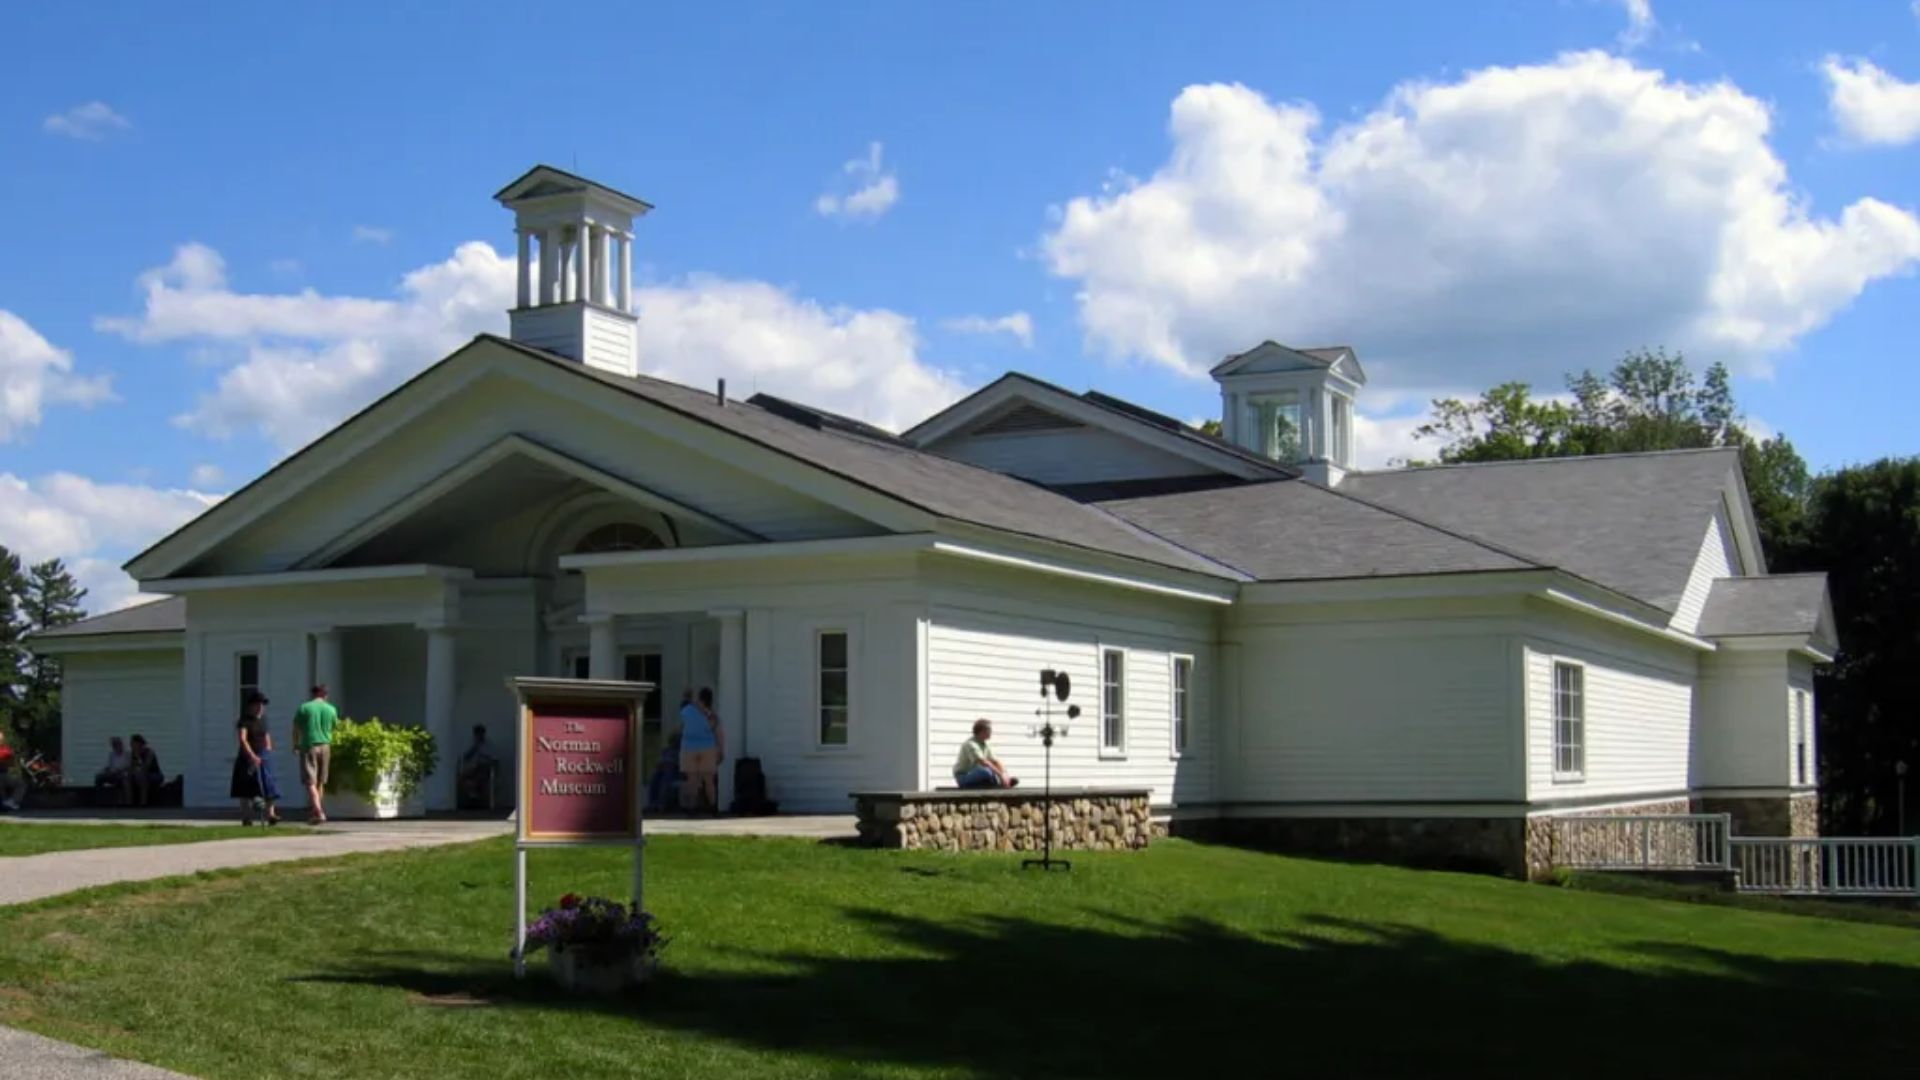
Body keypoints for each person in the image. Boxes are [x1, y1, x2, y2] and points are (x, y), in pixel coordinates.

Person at [230, 692, 283, 826]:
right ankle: (246, 817)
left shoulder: (263, 720)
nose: (260, 707)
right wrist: (252, 756)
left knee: (269, 786)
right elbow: (242, 739)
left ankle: (271, 815)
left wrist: (268, 751)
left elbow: (266, 737)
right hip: (247, 757)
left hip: (263, 755)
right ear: (251, 705)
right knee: (245, 788)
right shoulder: (244, 720)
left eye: (262, 704)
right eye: (257, 704)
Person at [292, 685, 338, 824]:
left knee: (309, 780)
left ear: (314, 694)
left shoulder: (305, 708)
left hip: (309, 745)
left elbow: (296, 728)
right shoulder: (331, 709)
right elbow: (334, 726)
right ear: (324, 694)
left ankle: (318, 811)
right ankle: (315, 810)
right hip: (325, 745)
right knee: (320, 781)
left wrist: (295, 744)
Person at [678, 687, 724, 814]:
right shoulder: (712, 715)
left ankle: (692, 807)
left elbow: (682, 726)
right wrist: (721, 749)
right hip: (707, 747)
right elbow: (718, 732)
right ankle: (713, 807)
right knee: (709, 779)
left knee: (692, 779)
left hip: (688, 746)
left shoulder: (688, 710)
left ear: (699, 699)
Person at [953, 719, 1017, 789]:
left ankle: (1002, 784)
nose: (991, 732)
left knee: (991, 771)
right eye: (989, 730)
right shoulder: (970, 744)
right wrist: (1000, 775)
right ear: (982, 731)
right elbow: (983, 762)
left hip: (977, 774)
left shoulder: (985, 744)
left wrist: (1005, 774)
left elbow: (995, 761)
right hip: (963, 776)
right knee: (987, 772)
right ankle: (997, 784)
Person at [458, 724, 498, 808]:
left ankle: (475, 798)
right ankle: (472, 797)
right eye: (477, 734)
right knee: (463, 777)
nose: (478, 736)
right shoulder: (471, 743)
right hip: (473, 768)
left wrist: (483, 758)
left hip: (485, 768)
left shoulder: (489, 745)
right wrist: (474, 747)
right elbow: (465, 757)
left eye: (480, 734)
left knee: (479, 775)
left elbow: (494, 759)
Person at [129, 734, 165, 807]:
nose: (131, 745)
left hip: (154, 774)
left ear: (138, 743)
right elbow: (132, 767)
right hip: (140, 775)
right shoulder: (132, 754)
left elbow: (146, 767)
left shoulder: (149, 752)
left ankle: (143, 803)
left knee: (143, 778)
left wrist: (138, 757)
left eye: (133, 743)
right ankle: (129, 803)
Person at [95, 736, 132, 801]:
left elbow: (128, 766)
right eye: (114, 745)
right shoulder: (112, 755)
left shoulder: (127, 754)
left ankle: (128, 801)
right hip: (112, 773)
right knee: (98, 777)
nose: (117, 746)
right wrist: (106, 770)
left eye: (118, 744)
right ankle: (99, 798)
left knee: (124, 778)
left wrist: (119, 770)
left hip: (121, 773)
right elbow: (109, 766)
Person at [0, 729, 25, 812]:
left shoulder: (6, 750)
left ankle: (11, 801)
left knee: (20, 783)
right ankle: (5, 803)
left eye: (1, 738)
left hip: (3, 773)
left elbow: (11, 763)